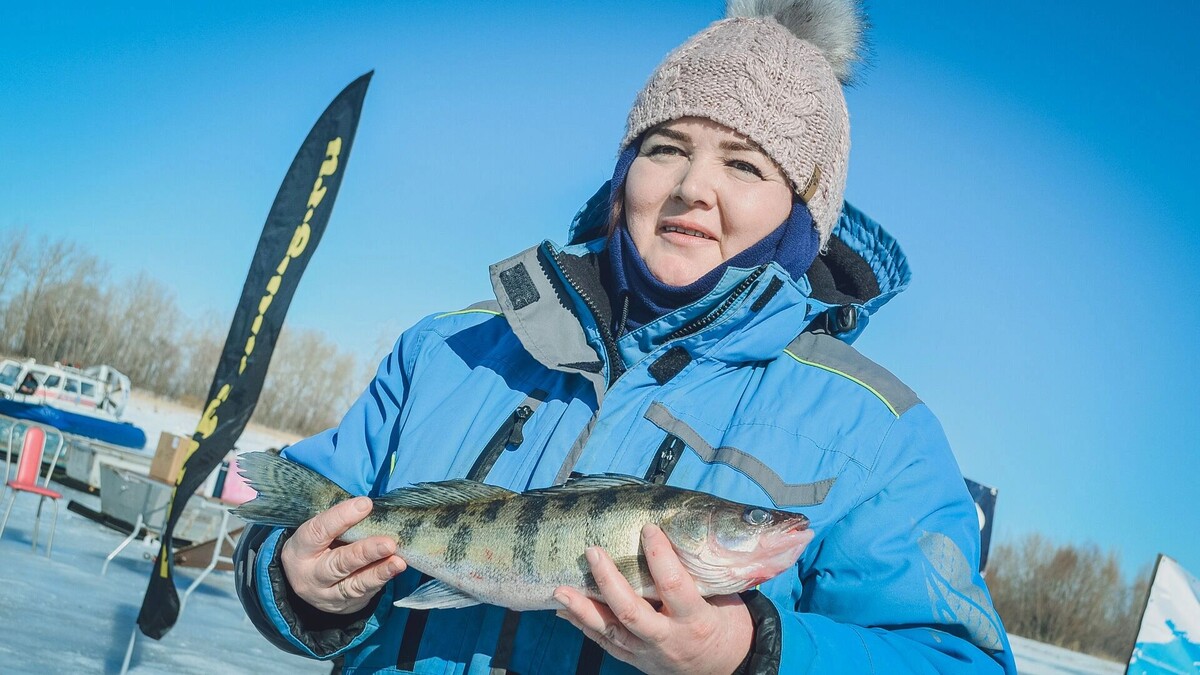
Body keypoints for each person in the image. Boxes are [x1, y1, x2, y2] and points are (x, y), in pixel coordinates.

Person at [235, 1, 1018, 673]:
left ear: (801, 213)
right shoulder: (449, 348)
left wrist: (751, 650)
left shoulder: (878, 432)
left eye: (745, 165)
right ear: (623, 173)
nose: (692, 187)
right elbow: (274, 512)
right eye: (665, 148)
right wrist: (292, 578)